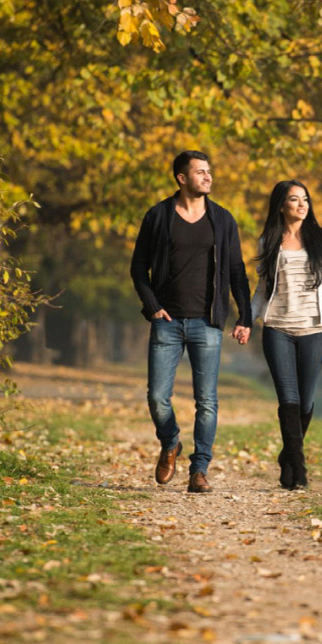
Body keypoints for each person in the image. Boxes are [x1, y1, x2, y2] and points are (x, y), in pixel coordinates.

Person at [130, 151, 252, 494]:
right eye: (200, 172)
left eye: (209, 171)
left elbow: (237, 271)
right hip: (167, 321)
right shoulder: (157, 216)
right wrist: (152, 306)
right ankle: (170, 442)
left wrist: (245, 316)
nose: (208, 177)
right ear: (181, 178)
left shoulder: (223, 220)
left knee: (207, 401)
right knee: (157, 397)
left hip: (208, 322)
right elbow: (138, 268)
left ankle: (199, 471)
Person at [251, 180, 322, 490]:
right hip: (277, 327)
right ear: (281, 206)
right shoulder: (268, 240)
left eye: (305, 199)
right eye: (294, 200)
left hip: (314, 329)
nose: (302, 205)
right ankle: (299, 468)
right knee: (289, 400)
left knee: (306, 402)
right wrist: (247, 319)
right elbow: (262, 289)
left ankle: (287, 456)